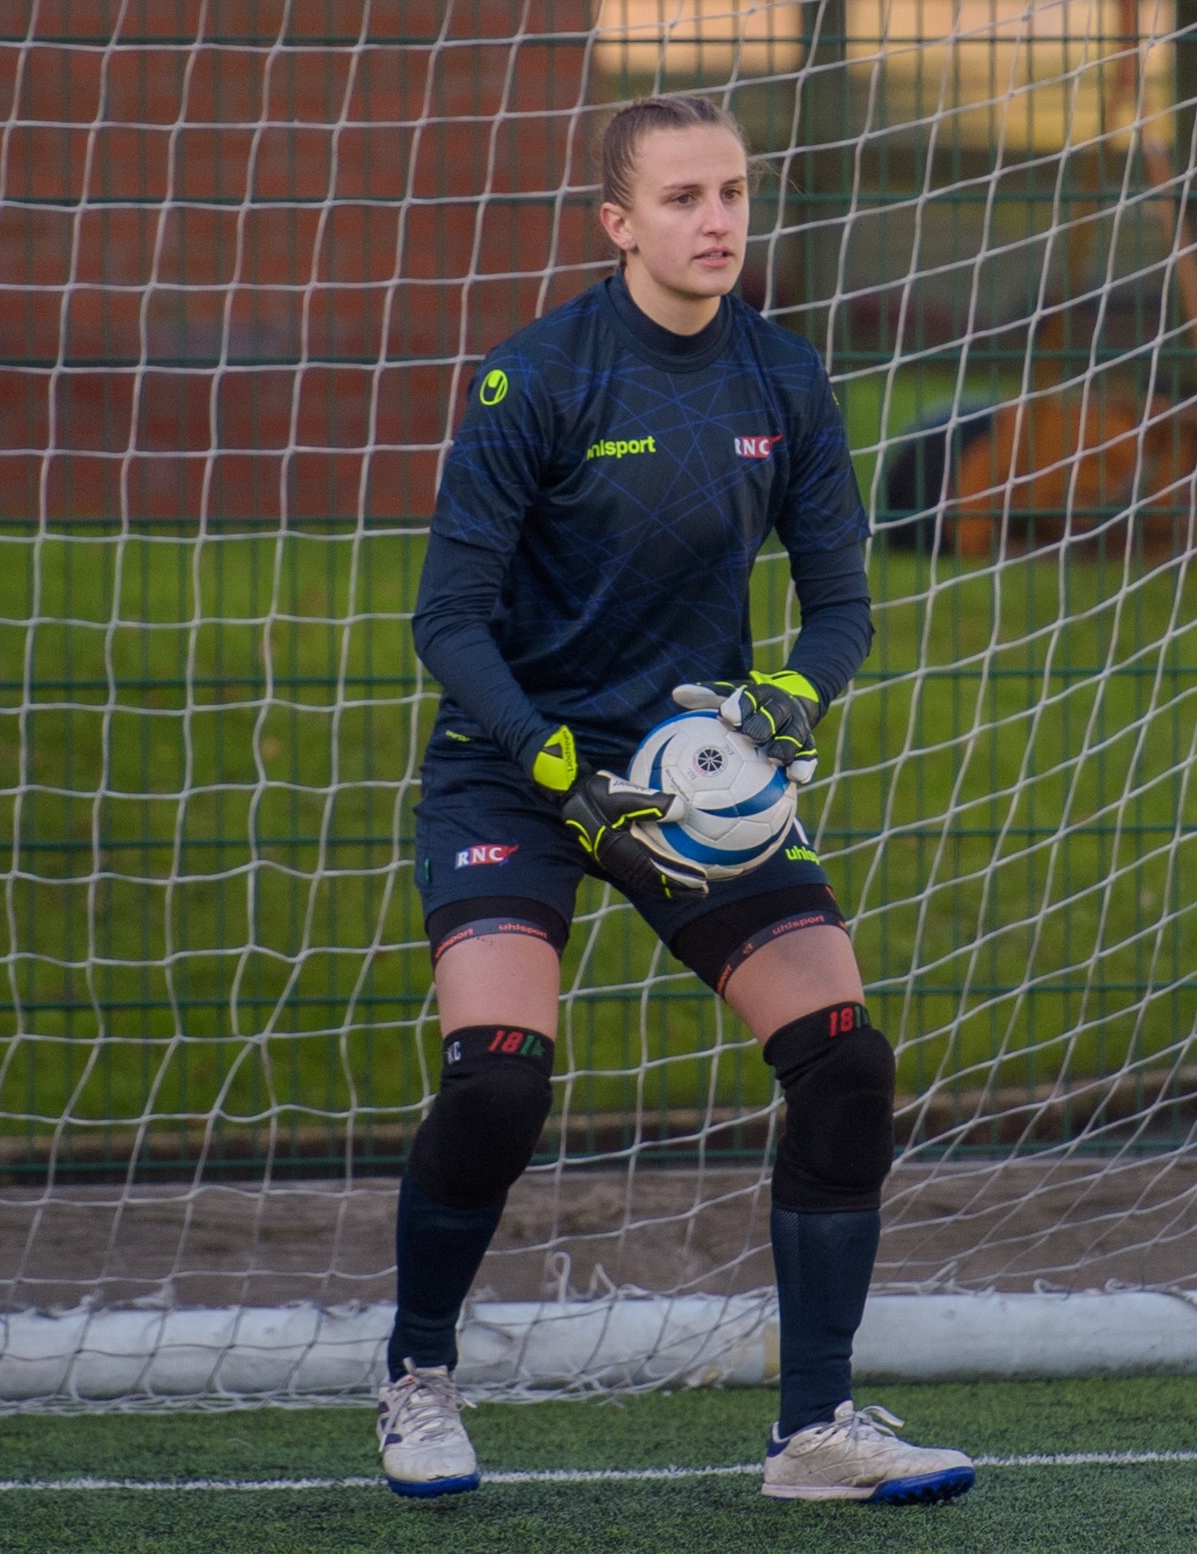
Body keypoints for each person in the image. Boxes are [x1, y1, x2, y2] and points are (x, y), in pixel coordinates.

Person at [381, 93, 974, 1505]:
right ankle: (417, 1374)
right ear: (619, 223)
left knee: (844, 1058)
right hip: (516, 769)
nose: (717, 222)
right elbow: (448, 621)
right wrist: (551, 769)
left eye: (734, 195)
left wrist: (793, 698)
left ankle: (815, 1429)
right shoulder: (540, 379)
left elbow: (839, 606)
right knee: (500, 1078)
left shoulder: (785, 381)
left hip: (686, 780)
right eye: (684, 199)